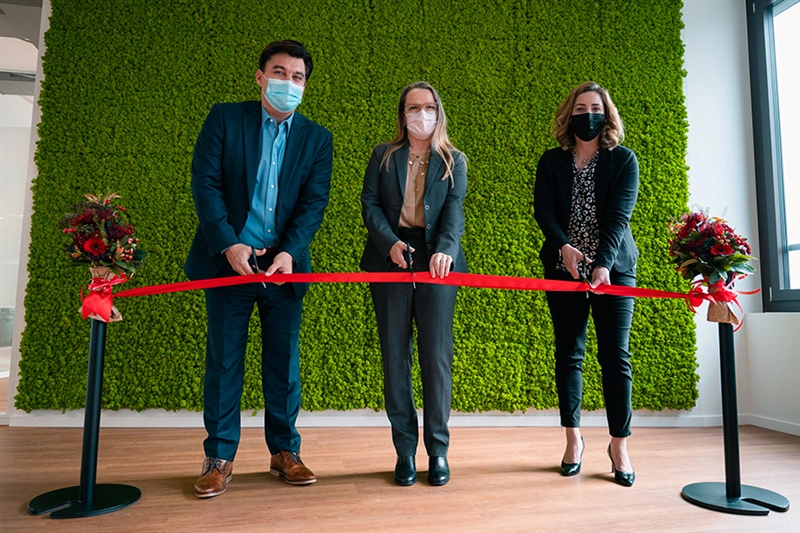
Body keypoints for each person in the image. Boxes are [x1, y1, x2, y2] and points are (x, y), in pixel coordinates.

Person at [184, 40, 333, 498]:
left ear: (305, 84)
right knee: (225, 362)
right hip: (229, 262)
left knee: (284, 364)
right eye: (280, 72)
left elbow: (313, 203)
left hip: (284, 268)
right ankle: (219, 457)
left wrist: (290, 250)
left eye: (298, 77)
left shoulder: (317, 138)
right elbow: (204, 183)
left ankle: (284, 452)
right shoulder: (225, 119)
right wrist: (228, 243)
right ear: (260, 76)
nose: (288, 82)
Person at [360, 82, 467, 487]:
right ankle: (404, 451)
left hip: (438, 260)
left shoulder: (453, 160)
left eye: (428, 107)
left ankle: (437, 452)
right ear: (402, 113)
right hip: (391, 255)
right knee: (395, 357)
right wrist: (388, 244)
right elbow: (369, 202)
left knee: (436, 358)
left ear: (439, 112)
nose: (421, 114)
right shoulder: (383, 156)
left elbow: (454, 211)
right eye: (412, 107)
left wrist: (445, 250)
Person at [533, 81, 639, 487]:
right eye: (580, 107)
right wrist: (564, 248)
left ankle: (619, 445)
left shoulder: (623, 160)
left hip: (614, 271)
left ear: (606, 114)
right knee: (569, 354)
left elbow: (619, 217)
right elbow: (543, 210)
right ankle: (573, 439)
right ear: (569, 114)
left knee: (616, 357)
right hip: (564, 269)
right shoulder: (551, 161)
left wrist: (603, 265)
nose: (587, 113)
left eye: (595, 107)